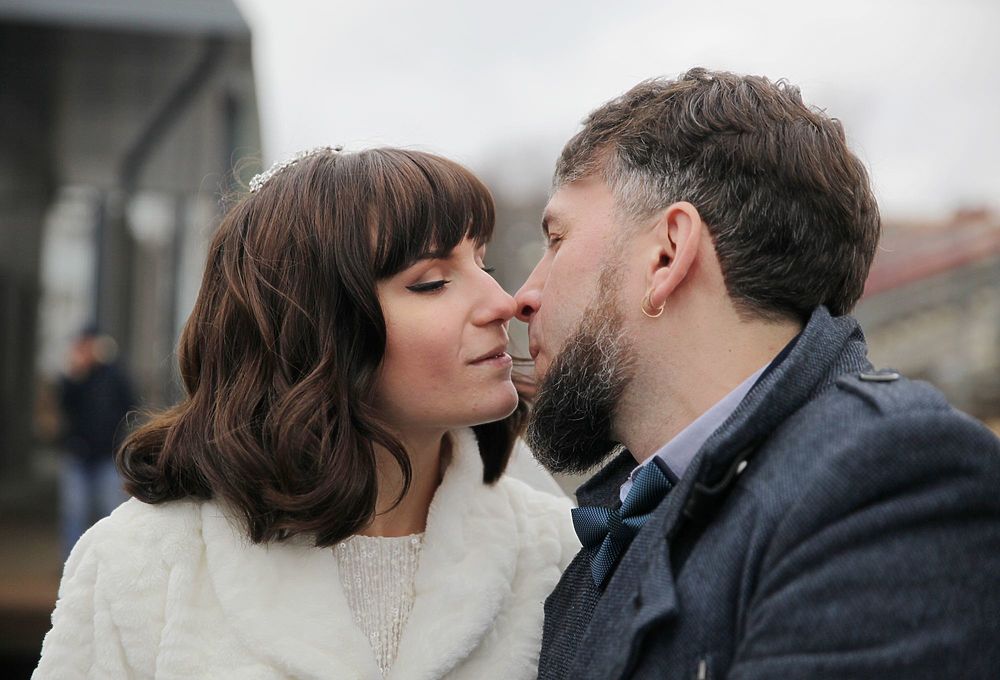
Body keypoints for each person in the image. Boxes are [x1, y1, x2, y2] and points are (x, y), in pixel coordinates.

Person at [515, 68, 1000, 679]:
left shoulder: (890, 478)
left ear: (667, 255)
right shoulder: (611, 533)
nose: (522, 297)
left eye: (556, 239)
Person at [35, 147, 579, 679]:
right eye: (431, 282)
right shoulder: (144, 564)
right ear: (313, 330)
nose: (503, 302)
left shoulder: (555, 552)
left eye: (483, 262)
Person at [57, 327, 134, 558]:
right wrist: (76, 374)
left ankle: (113, 558)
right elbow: (64, 405)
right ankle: (72, 561)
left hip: (108, 455)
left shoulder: (114, 374)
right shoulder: (76, 377)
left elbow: (129, 404)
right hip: (78, 454)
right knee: (74, 512)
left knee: (112, 512)